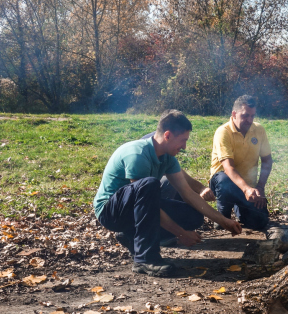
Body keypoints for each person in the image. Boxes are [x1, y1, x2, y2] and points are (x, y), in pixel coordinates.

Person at [94, 110, 242, 277]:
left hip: (135, 208)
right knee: (149, 184)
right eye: (183, 140)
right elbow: (146, 204)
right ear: (168, 135)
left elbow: (188, 193)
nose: (184, 147)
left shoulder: (168, 158)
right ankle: (145, 259)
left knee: (193, 216)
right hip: (110, 212)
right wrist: (180, 233)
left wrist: (224, 221)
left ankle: (131, 234)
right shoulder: (138, 154)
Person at [209, 95, 273, 232]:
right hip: (223, 182)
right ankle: (222, 216)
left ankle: (241, 210)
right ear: (234, 114)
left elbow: (267, 160)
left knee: (260, 221)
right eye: (245, 116)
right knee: (224, 180)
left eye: (252, 116)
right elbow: (228, 167)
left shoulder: (259, 130)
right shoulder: (223, 132)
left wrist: (259, 188)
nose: (249, 120)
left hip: (248, 186)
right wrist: (246, 189)